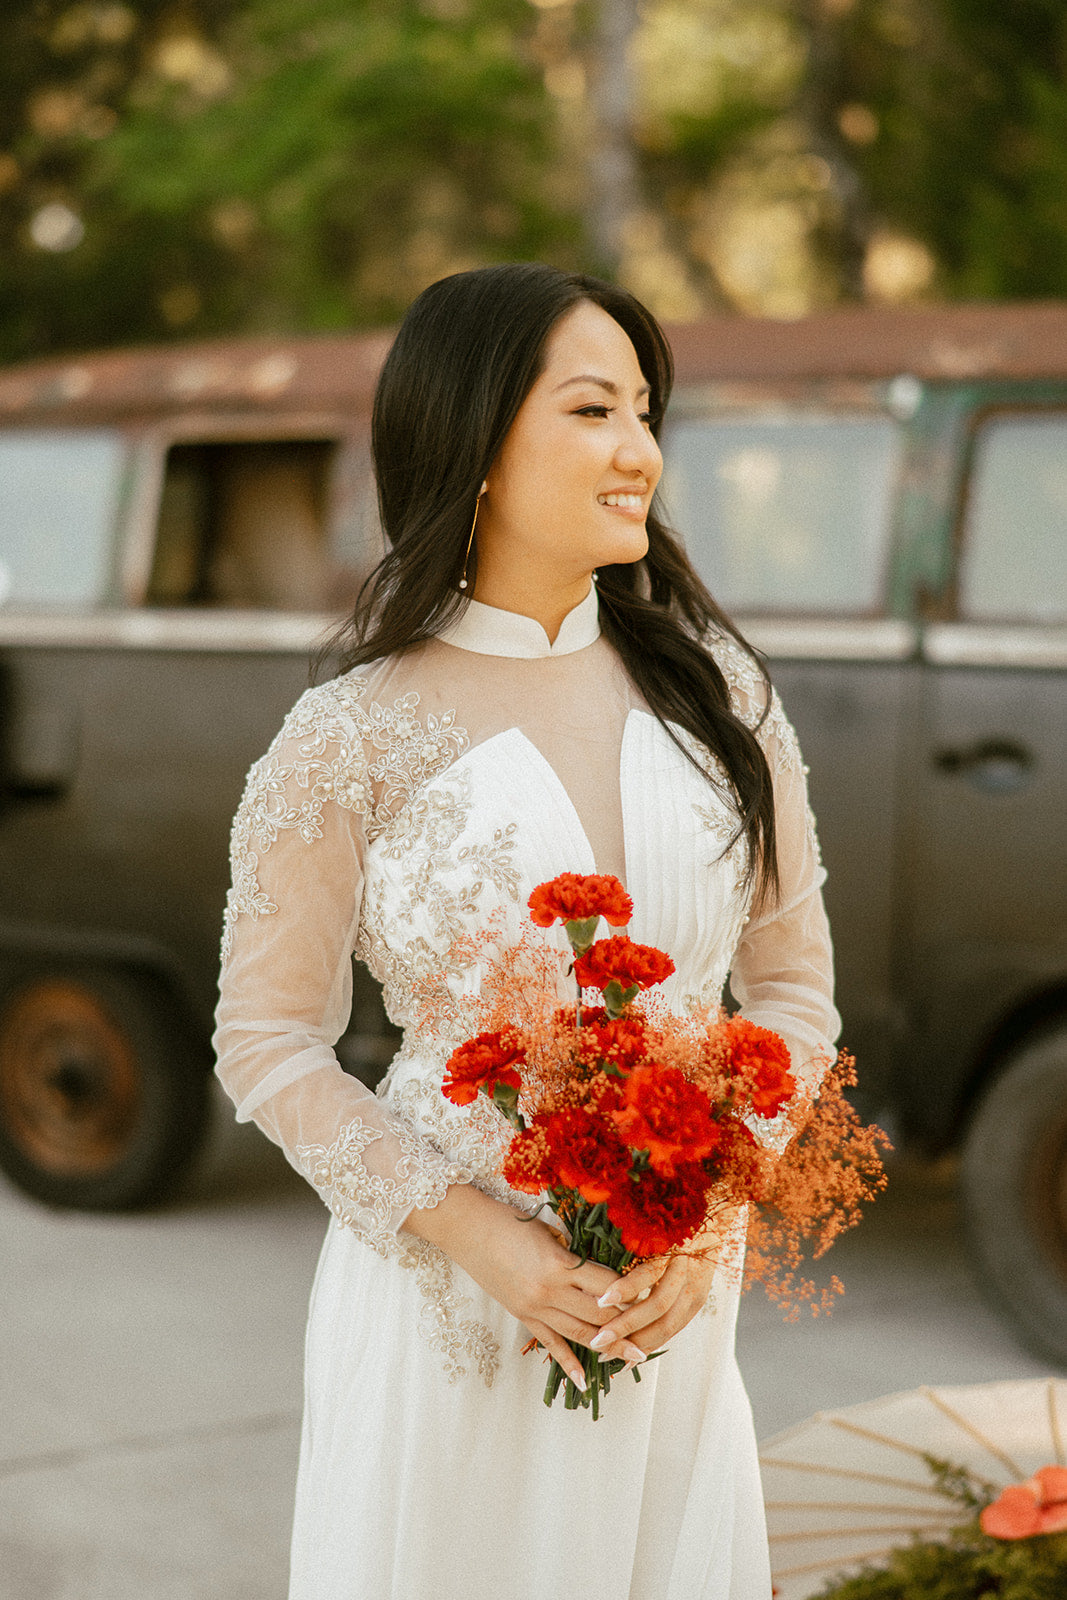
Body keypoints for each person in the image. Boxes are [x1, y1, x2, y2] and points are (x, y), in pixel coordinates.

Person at [213, 262, 839, 1600]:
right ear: (478, 441)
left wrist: (702, 1207)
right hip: (445, 1314)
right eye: (595, 409)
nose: (640, 451)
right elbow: (266, 1039)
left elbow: (793, 994)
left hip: (667, 1306)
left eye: (646, 410)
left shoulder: (720, 699)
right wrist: (479, 1237)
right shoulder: (349, 738)